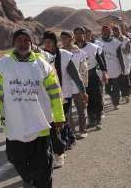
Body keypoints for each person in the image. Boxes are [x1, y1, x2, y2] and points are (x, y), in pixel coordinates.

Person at [0, 29, 65, 187]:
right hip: (16, 125)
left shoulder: (42, 65)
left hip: (40, 125)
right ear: (13, 43)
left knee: (44, 165)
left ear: (31, 43)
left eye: (26, 40)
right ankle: (29, 179)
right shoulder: (3, 65)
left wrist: (59, 116)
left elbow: (55, 93)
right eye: (19, 40)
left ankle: (40, 182)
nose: (22, 43)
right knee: (15, 158)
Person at [42, 31, 85, 168]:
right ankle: (68, 139)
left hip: (64, 95)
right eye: (45, 42)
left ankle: (60, 151)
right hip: (48, 97)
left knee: (60, 122)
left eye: (49, 42)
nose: (47, 44)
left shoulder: (65, 55)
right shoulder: (40, 57)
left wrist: (83, 90)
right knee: (56, 123)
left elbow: (75, 75)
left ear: (55, 43)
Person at [74, 27, 108, 130]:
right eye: (76, 34)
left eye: (80, 33)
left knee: (96, 98)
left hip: (92, 76)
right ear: (74, 35)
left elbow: (100, 60)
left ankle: (98, 121)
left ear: (84, 35)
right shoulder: (72, 49)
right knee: (86, 101)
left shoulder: (93, 47)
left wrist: (104, 72)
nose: (79, 36)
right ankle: (91, 120)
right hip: (79, 78)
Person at [60, 31, 89, 139]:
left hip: (77, 86)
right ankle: (71, 133)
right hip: (65, 87)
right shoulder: (60, 53)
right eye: (62, 38)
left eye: (66, 38)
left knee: (81, 109)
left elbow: (84, 70)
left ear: (71, 38)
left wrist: (84, 87)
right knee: (68, 113)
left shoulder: (79, 52)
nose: (63, 40)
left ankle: (83, 130)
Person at [99, 25, 125, 110]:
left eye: (107, 31)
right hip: (105, 71)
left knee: (116, 88)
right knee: (107, 90)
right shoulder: (98, 43)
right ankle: (114, 96)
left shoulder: (116, 42)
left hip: (115, 69)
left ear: (110, 32)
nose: (105, 33)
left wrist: (123, 67)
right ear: (101, 32)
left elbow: (120, 56)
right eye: (104, 31)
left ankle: (115, 103)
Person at [112, 25, 131, 104]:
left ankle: (126, 95)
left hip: (125, 62)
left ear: (120, 30)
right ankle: (120, 95)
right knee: (118, 81)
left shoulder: (125, 39)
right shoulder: (112, 40)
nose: (115, 32)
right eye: (114, 30)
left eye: (117, 30)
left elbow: (127, 51)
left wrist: (120, 48)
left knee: (125, 79)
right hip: (115, 63)